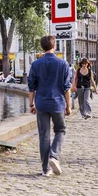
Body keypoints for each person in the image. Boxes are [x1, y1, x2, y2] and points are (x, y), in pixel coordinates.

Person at [28, 35, 72, 177]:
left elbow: (31, 87)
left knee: (44, 136)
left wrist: (31, 104)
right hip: (57, 103)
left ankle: (45, 169)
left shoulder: (35, 64)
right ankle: (54, 155)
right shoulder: (63, 64)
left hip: (41, 103)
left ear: (42, 47)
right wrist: (68, 106)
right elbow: (66, 88)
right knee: (61, 130)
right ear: (54, 46)